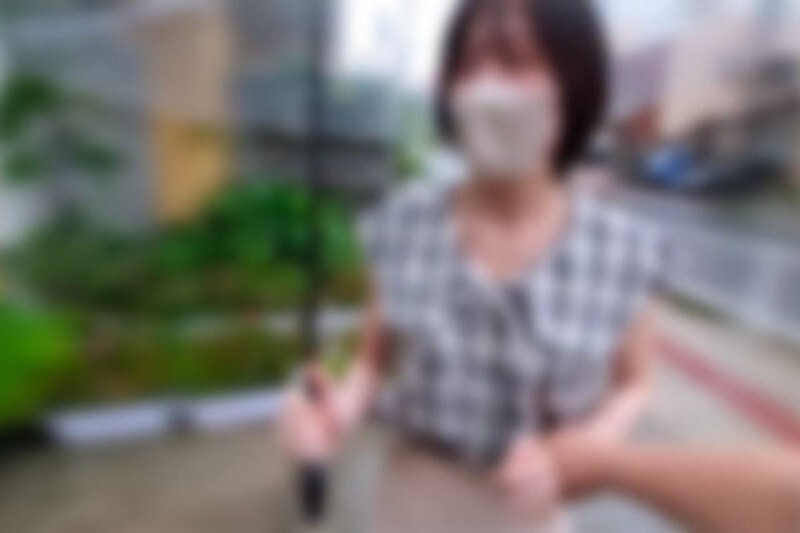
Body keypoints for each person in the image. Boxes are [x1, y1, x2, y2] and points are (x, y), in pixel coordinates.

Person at [279, 0, 800, 531]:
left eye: (513, 60)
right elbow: (372, 362)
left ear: (572, 83)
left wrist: (593, 448)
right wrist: (336, 413)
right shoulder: (402, 226)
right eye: (468, 64)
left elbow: (635, 383)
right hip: (410, 501)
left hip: (534, 512)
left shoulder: (623, 252)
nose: (486, 85)